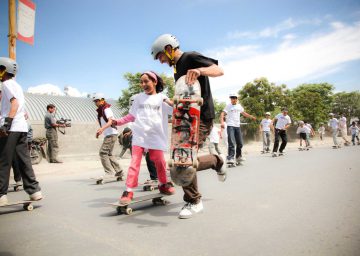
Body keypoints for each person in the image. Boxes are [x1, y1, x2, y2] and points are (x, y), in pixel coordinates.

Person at [151, 33, 226, 219]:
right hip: (185, 119)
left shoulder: (190, 57)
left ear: (168, 49)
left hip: (202, 117)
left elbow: (219, 70)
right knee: (181, 159)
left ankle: (194, 201)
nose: (160, 61)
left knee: (183, 160)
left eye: (160, 56)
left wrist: (201, 71)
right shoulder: (177, 67)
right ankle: (217, 160)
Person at [113, 71, 175, 203]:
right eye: (141, 82)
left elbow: (176, 111)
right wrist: (117, 122)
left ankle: (163, 184)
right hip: (139, 136)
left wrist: (170, 102)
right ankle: (128, 191)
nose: (143, 84)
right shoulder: (138, 98)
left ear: (154, 81)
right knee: (134, 163)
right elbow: (131, 116)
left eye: (146, 81)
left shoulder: (162, 98)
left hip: (155, 136)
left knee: (159, 161)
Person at [0, 57, 42, 205]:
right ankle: (34, 191)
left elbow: (14, 104)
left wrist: (6, 123)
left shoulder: (6, 84)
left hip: (11, 128)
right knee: (24, 160)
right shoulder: (17, 85)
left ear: (3, 70)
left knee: (3, 161)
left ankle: (1, 195)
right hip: (21, 128)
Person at [93, 94, 124, 179]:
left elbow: (110, 121)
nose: (96, 103)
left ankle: (109, 172)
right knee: (109, 154)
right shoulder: (101, 110)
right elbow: (104, 123)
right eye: (95, 101)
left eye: (97, 101)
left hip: (111, 134)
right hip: (110, 134)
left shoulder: (106, 109)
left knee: (103, 152)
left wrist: (102, 129)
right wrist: (100, 131)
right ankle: (119, 171)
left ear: (102, 100)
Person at [220, 93, 256, 164]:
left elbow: (243, 113)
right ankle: (230, 158)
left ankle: (238, 157)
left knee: (240, 143)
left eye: (234, 98)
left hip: (237, 126)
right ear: (230, 99)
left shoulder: (239, 106)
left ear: (237, 99)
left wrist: (251, 116)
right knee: (231, 142)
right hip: (230, 125)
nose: (233, 99)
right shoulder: (228, 106)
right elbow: (222, 114)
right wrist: (222, 122)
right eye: (231, 98)